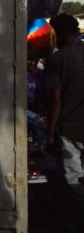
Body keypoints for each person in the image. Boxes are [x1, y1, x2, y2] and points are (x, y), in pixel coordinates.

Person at [44, 13, 84, 231]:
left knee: (74, 183)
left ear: (57, 33)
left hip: (68, 130)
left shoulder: (58, 59)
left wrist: (50, 134)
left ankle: (79, 224)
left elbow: (56, 102)